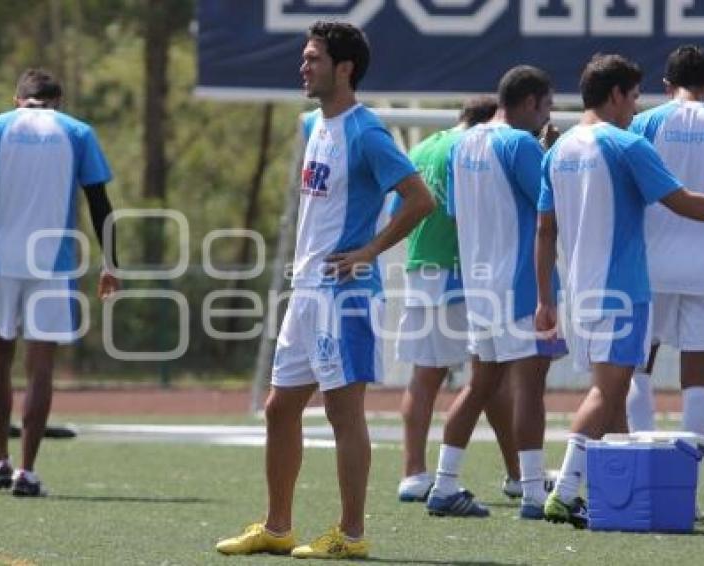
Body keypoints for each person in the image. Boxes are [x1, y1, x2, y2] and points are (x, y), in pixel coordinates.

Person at [215, 21, 434, 560]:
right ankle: (277, 526)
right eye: (304, 57)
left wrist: (366, 253)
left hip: (345, 293)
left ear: (345, 69)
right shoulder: (314, 122)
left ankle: (352, 535)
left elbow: (419, 199)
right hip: (307, 292)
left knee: (343, 413)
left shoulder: (367, 131)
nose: (303, 66)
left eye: (313, 58)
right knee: (278, 409)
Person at [536, 53, 704, 528]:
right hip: (622, 290)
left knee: (619, 392)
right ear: (617, 94)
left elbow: (544, 231)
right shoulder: (626, 145)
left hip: (579, 290)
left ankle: (622, 492)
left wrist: (546, 297)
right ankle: (564, 490)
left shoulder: (557, 151)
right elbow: (682, 202)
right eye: (633, 96)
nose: (636, 106)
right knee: (607, 394)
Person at [0, 69, 119, 497]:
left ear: (16, 98)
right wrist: (111, 261)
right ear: (57, 101)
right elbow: (100, 203)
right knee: (41, 365)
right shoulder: (77, 132)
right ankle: (27, 472)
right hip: (53, 264)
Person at [426, 66, 565, 521]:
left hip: (479, 283)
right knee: (530, 388)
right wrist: (549, 151)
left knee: (480, 384)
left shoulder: (462, 143)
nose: (547, 117)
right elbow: (551, 205)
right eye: (545, 107)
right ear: (529, 102)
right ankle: (529, 492)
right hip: (520, 284)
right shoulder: (521, 143)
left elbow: (455, 210)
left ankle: (444, 484)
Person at [393, 96, 533, 503]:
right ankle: (516, 474)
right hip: (463, 270)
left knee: (426, 377)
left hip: (420, 267)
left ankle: (414, 473)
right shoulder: (475, 147)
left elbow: (397, 210)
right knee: (491, 378)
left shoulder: (421, 148)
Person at [626, 45, 704, 441]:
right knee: (699, 376)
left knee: (637, 364)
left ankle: (643, 458)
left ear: (667, 85)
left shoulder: (644, 124)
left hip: (647, 264)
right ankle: (687, 483)